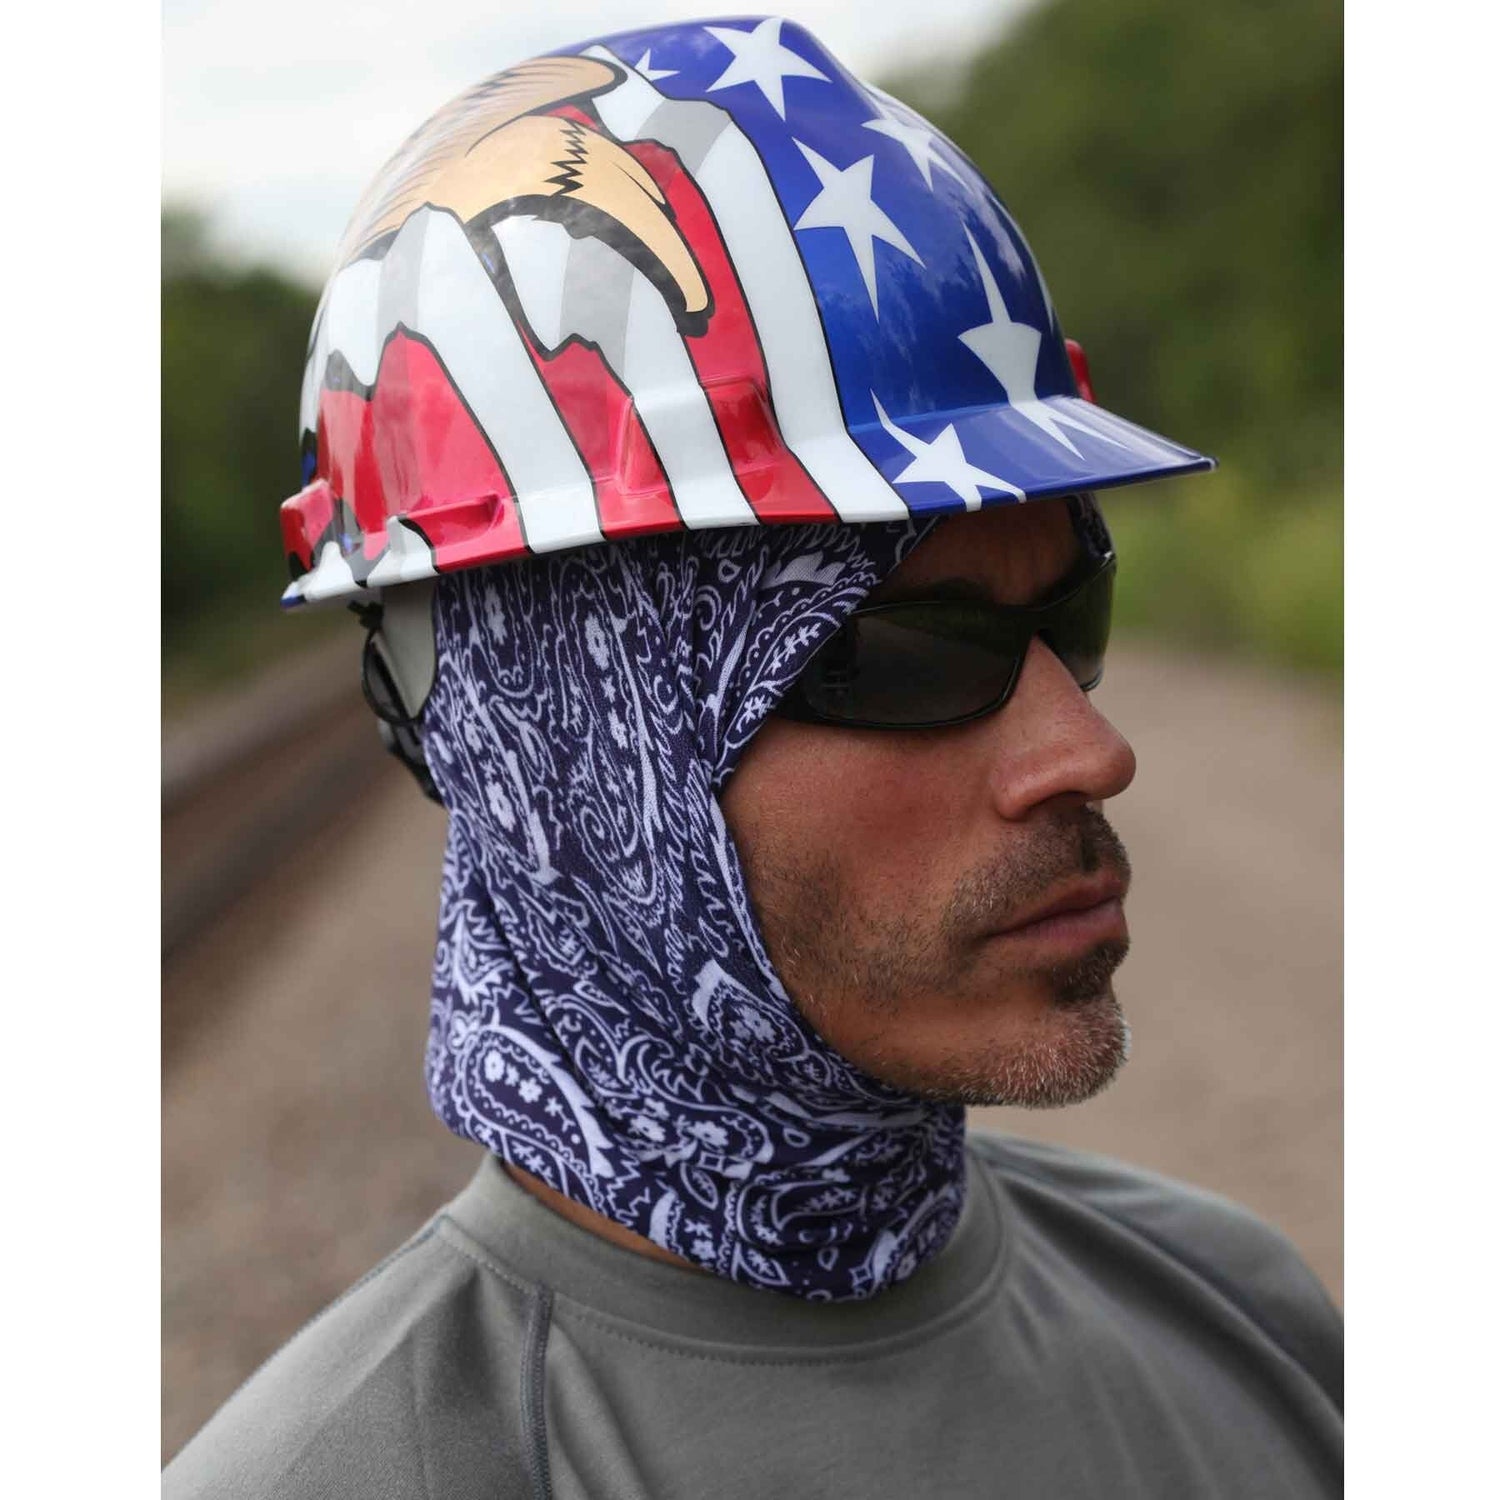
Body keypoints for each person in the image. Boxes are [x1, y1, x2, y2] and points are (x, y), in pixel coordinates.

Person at [165, 16, 1341, 1497]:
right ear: (572, 746)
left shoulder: (1250, 1318)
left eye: (1075, 615)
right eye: (906, 653)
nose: (1088, 751)